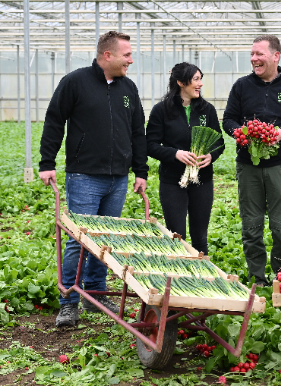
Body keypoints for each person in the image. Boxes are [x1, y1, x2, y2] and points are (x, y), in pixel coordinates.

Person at [39, 31, 148, 327]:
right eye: (126, 54)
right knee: (79, 240)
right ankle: (69, 302)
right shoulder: (76, 82)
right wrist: (46, 162)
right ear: (107, 55)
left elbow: (138, 130)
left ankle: (96, 294)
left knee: (105, 241)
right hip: (84, 175)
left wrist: (141, 171)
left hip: (119, 179)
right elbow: (54, 120)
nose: (131, 59)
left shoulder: (128, 88)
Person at [223, 35, 281, 286]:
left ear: (276, 56)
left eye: (259, 54)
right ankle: (258, 278)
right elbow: (228, 119)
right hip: (248, 166)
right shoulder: (242, 86)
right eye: (252, 54)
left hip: (280, 165)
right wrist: (240, 133)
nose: (254, 58)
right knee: (251, 225)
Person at [146, 62, 224, 256]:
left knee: (200, 237)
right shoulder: (161, 110)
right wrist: (174, 154)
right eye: (196, 79)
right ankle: (179, 280)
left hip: (202, 181)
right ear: (181, 82)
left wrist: (211, 156)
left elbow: (219, 142)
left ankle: (202, 278)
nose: (200, 84)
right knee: (176, 236)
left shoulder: (207, 110)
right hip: (173, 181)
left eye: (200, 79)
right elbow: (150, 145)